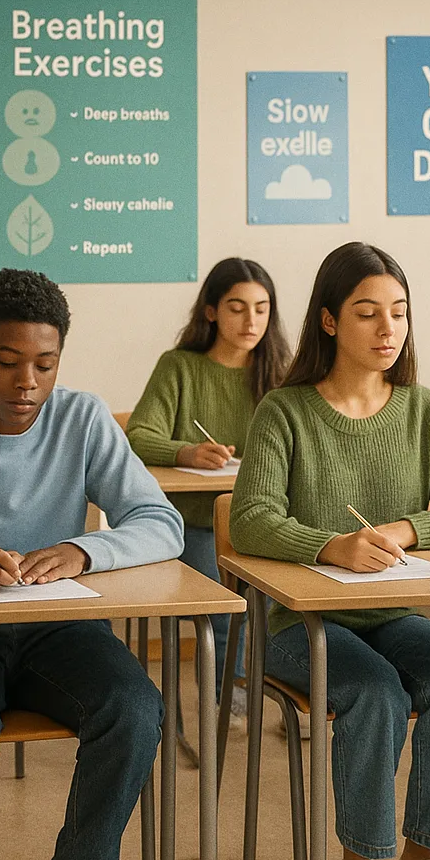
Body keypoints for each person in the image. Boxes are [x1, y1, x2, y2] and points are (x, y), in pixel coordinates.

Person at [230, 242, 430, 860]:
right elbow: (251, 517)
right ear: (327, 322)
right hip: (296, 627)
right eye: (368, 313)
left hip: (392, 613)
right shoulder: (284, 412)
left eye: (399, 314)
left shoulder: (421, 410)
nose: (387, 330)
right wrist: (327, 545)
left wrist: (407, 528)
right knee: (375, 693)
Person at [0, 269, 184, 860]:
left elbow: (160, 520)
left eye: (45, 364)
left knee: (135, 708)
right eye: (8, 362)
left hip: (60, 626)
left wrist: (82, 549)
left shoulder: (82, 417)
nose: (27, 383)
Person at [127, 258, 290, 719]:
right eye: (237, 307)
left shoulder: (280, 370)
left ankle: (290, 691)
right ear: (212, 311)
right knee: (225, 603)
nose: (251, 320)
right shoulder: (179, 367)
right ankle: (228, 694)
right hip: (193, 524)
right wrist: (186, 453)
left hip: (265, 524)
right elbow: (139, 435)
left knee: (292, 601)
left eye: (261, 308)